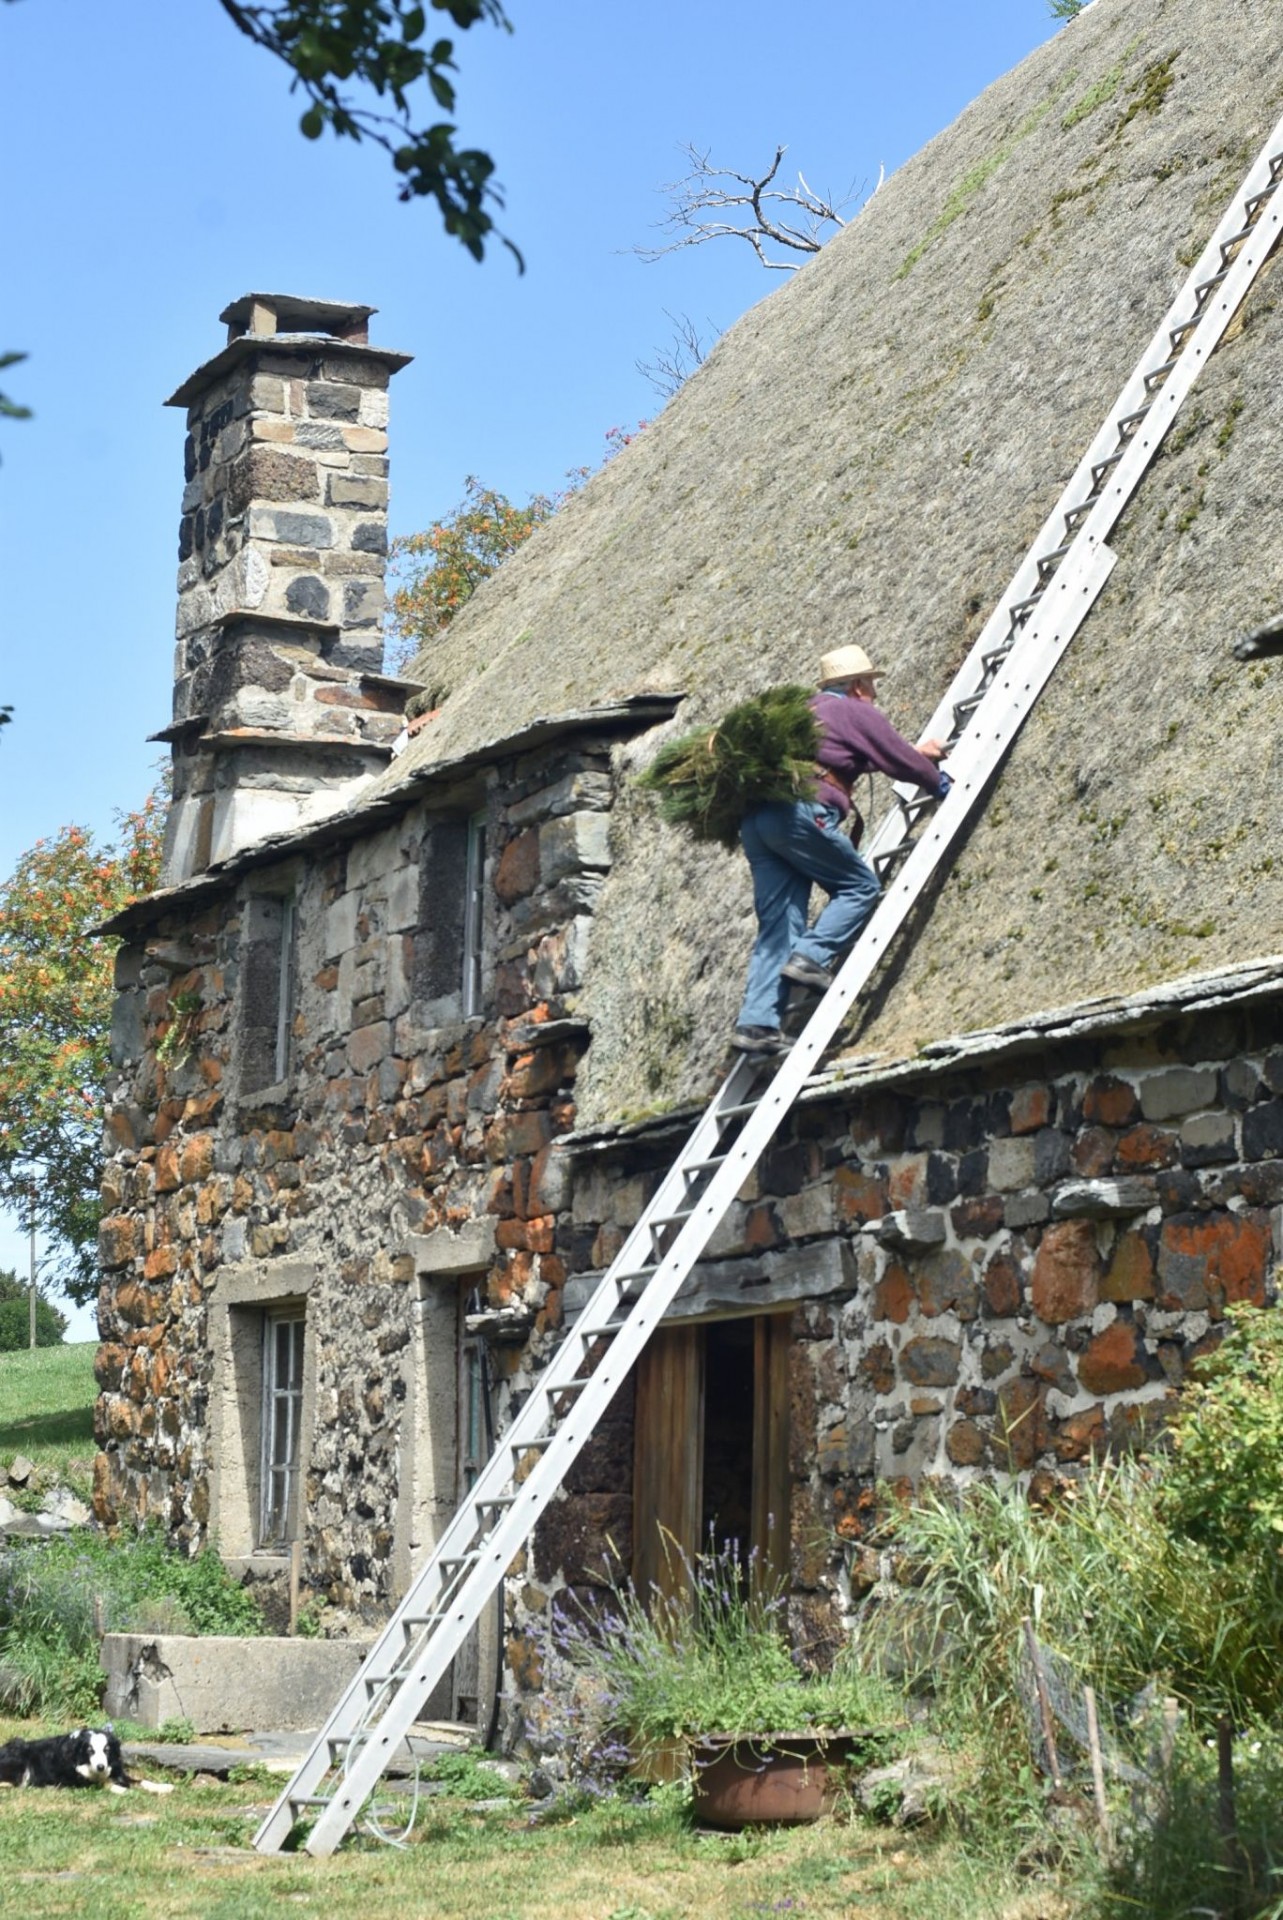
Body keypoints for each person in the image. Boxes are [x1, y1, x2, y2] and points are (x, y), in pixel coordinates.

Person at [732, 643, 950, 1054]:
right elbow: (893, 755)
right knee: (859, 887)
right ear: (856, 685)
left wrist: (914, 752)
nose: (874, 694)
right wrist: (937, 782)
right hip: (799, 813)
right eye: (871, 685)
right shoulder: (853, 710)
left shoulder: (805, 714)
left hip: (759, 823)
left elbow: (848, 756)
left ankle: (757, 1023)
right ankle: (811, 957)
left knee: (779, 923)